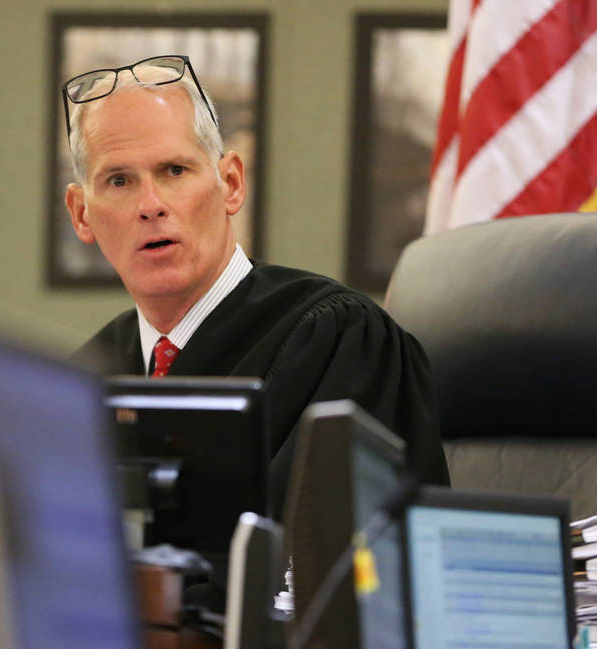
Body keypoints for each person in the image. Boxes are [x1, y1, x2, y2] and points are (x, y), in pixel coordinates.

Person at [63, 55, 447, 517]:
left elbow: (340, 565)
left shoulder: (337, 340)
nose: (151, 205)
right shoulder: (80, 386)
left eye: (175, 171)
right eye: (119, 180)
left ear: (230, 183)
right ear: (82, 214)